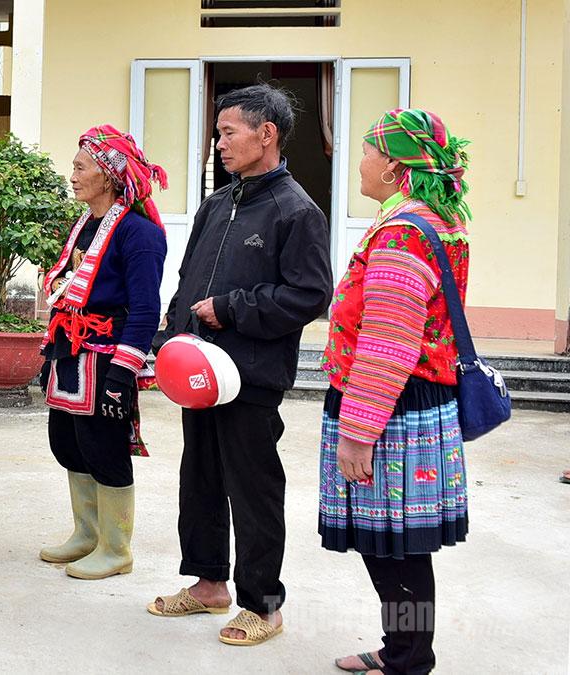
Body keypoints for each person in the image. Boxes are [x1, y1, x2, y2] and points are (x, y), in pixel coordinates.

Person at [145, 84, 332, 646]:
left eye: (229, 132)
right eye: (218, 132)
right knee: (199, 478)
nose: (220, 143)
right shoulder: (217, 203)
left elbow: (309, 295)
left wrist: (231, 309)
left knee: (253, 489)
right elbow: (189, 280)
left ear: (266, 134)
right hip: (198, 371)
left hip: (250, 376)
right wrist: (171, 339)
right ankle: (208, 585)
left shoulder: (296, 211)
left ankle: (262, 605)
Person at [323, 108, 472, 675]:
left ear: (393, 166)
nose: (359, 161)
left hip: (389, 410)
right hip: (409, 403)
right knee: (395, 542)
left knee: (395, 547)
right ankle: (402, 650)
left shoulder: (403, 234)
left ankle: (409, 660)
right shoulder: (434, 222)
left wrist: (357, 433)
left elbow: (388, 344)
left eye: (367, 151)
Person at [38, 125, 167, 580]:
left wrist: (123, 373)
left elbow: (146, 308)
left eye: (80, 167)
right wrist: (50, 356)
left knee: (104, 448)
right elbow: (68, 290)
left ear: (109, 175)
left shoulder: (138, 234)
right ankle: (87, 534)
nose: (72, 175)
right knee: (68, 444)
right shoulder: (85, 226)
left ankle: (116, 548)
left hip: (107, 357)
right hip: (70, 352)